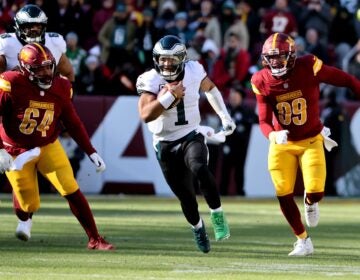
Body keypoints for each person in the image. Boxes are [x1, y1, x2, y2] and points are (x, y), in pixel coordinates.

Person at [250, 32, 360, 256]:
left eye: (279, 58)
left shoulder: (309, 65)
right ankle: (302, 240)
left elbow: (346, 80)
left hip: (310, 139)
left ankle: (310, 202)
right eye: (271, 59)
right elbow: (262, 119)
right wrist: (272, 136)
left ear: (291, 56)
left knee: (316, 191)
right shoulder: (260, 80)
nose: (275, 63)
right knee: (282, 192)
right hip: (282, 143)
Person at [0, 43, 114, 250]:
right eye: (38, 68)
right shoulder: (12, 83)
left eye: (48, 66)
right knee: (29, 204)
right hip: (15, 148)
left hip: (47, 144)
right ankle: (25, 217)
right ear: (25, 69)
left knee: (70, 188)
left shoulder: (61, 86)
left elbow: (72, 121)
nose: (45, 73)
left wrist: (90, 151)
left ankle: (95, 238)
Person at [136, 35, 235, 253]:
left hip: (191, 133)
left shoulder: (194, 70)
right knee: (186, 196)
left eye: (171, 59)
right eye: (162, 59)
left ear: (181, 59)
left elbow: (210, 89)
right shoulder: (150, 79)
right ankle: (198, 228)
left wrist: (225, 117)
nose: (166, 64)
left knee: (199, 167)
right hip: (164, 143)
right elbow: (145, 115)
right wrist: (168, 98)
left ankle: (217, 213)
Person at [0, 3, 76, 240]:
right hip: (13, 112)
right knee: (16, 170)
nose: (33, 31)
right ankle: (25, 215)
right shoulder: (7, 44)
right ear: (18, 28)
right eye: (28, 27)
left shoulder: (54, 42)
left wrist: (61, 97)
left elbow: (68, 73)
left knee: (38, 167)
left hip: (42, 109)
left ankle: (26, 216)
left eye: (37, 27)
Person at [219, 83, 258, 196]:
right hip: (227, 146)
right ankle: (222, 193)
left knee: (239, 171)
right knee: (225, 170)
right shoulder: (225, 110)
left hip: (242, 147)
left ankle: (240, 193)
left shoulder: (247, 112)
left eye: (235, 96)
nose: (233, 99)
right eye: (231, 96)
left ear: (241, 97)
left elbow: (257, 122)